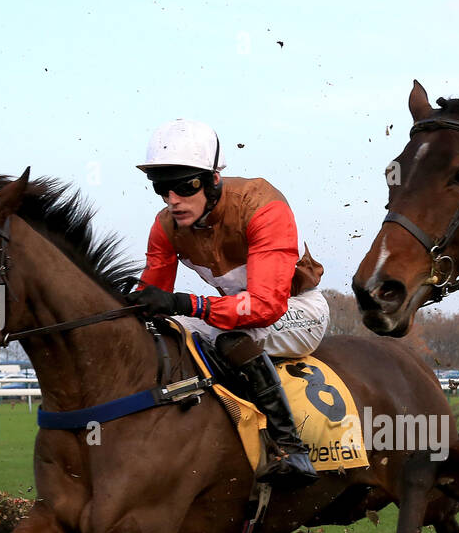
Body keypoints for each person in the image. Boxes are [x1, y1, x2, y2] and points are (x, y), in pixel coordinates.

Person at [132, 118, 329, 486]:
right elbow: (153, 301)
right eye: (162, 188)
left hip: (297, 310)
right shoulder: (165, 226)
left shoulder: (262, 205)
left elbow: (266, 306)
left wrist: (188, 304)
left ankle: (291, 447)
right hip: (237, 310)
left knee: (229, 338)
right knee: (164, 332)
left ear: (213, 180)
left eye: (185, 186)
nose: (173, 200)